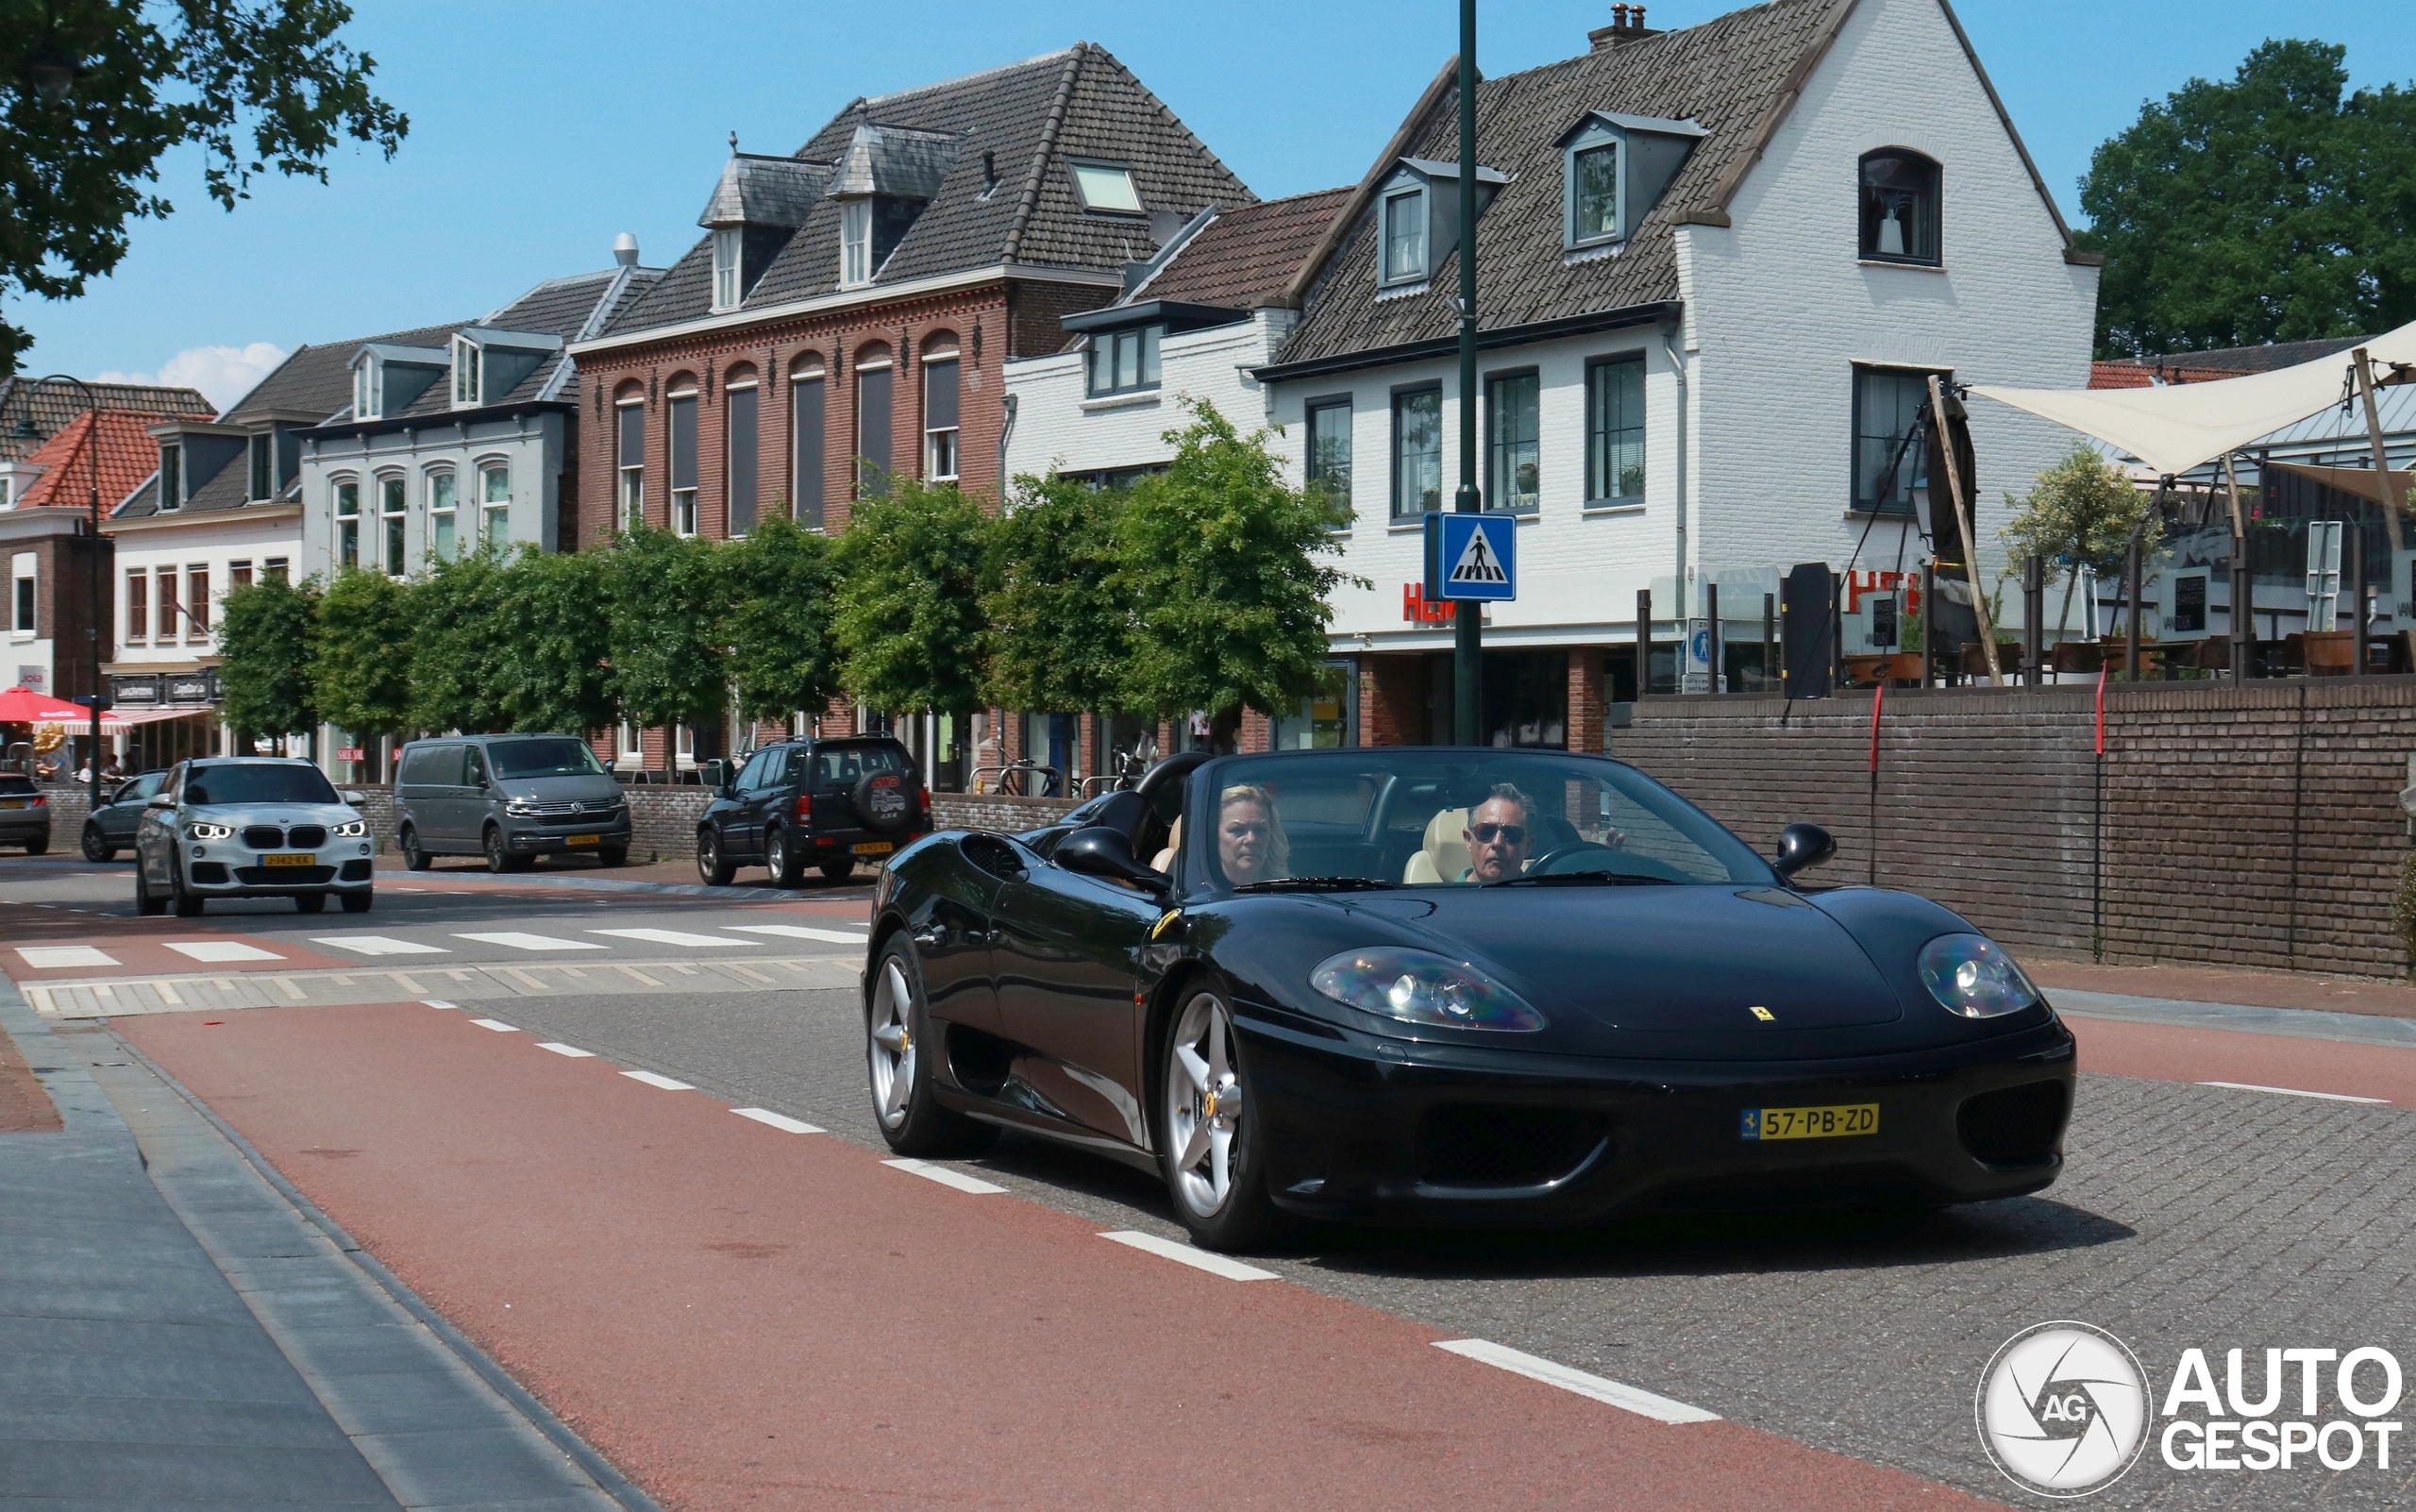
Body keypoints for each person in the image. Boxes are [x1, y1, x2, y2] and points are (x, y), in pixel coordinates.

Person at [1215, 783, 1288, 885]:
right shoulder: (1196, 895)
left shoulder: (1287, 894)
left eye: (1260, 830)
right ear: (1213, 836)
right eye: (1237, 830)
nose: (1251, 839)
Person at [1461, 783, 1536, 883]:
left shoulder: (1549, 897)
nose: (1497, 842)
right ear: (1469, 840)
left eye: (1512, 834)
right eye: (1486, 831)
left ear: (1528, 846)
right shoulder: (1441, 897)